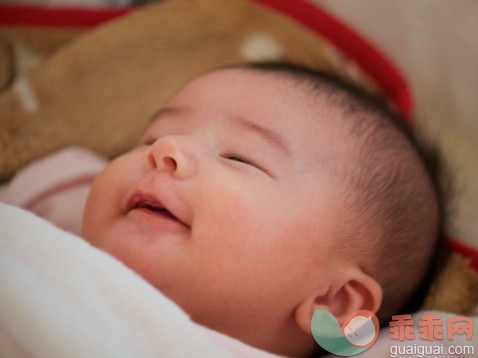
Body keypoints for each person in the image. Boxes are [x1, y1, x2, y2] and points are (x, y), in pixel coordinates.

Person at [1, 62, 447, 357]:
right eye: (150, 139)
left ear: (334, 302)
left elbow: (450, 340)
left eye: (239, 158)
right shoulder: (57, 218)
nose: (166, 150)